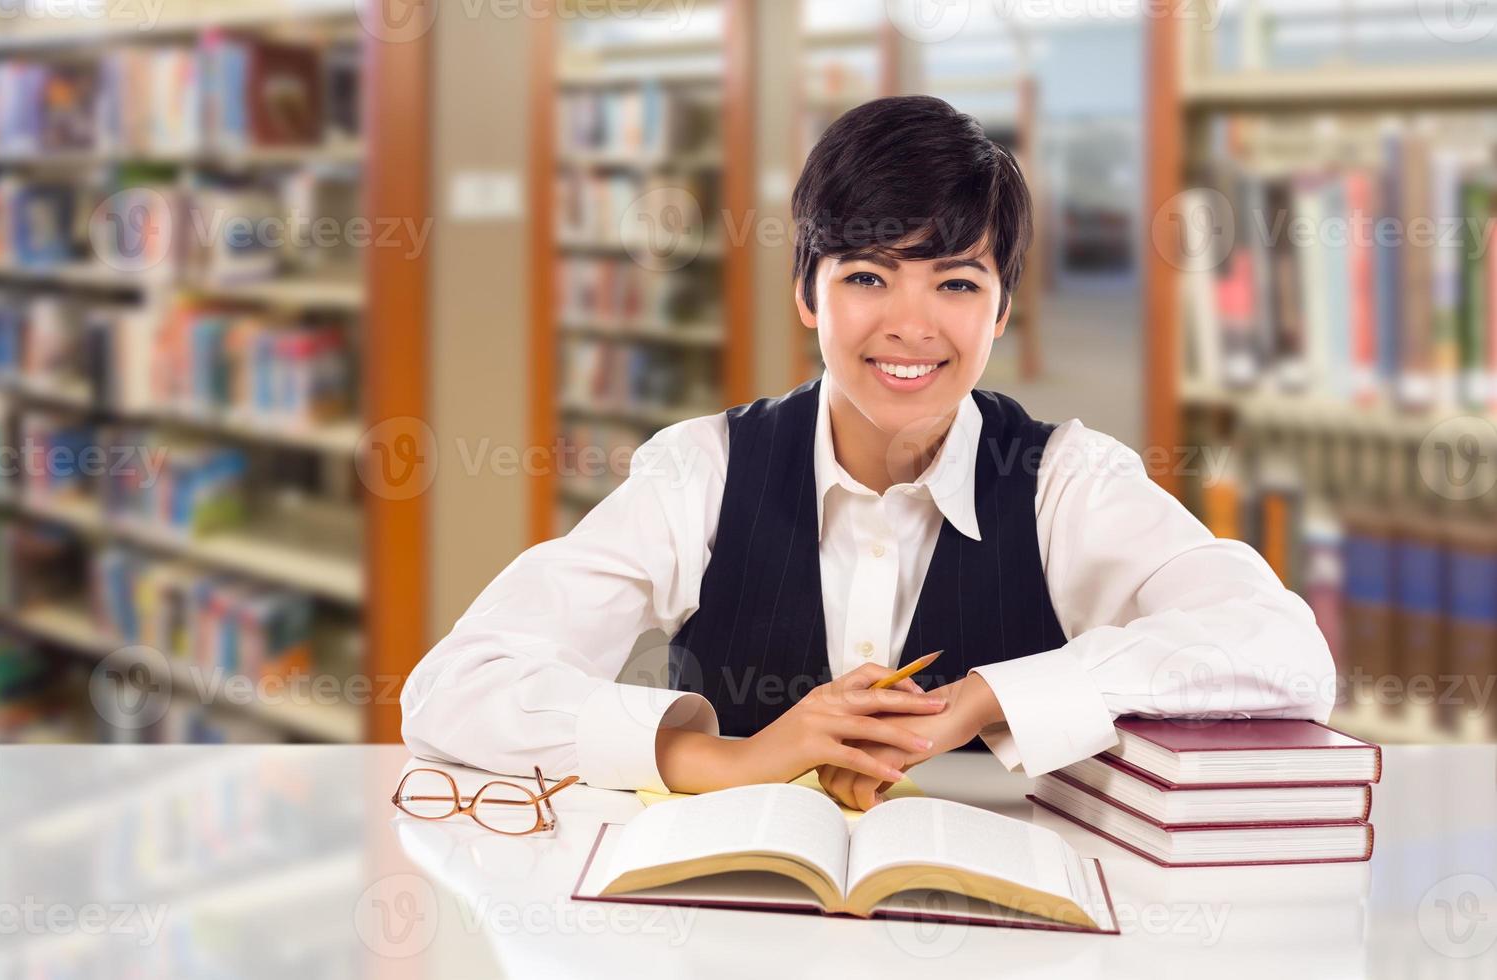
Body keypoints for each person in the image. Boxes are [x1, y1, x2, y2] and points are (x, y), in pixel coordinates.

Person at [402, 95, 1334, 811]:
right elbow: (455, 686)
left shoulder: (1064, 480)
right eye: (865, 276)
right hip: (728, 916)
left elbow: (1287, 653)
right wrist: (722, 756)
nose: (910, 326)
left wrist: (983, 701)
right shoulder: (704, 468)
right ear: (806, 294)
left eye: (957, 283)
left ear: (1000, 312)